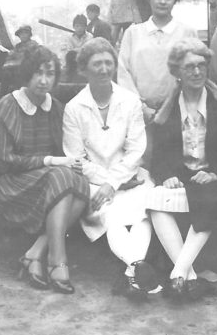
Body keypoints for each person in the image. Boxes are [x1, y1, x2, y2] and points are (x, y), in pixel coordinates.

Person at [0, 45, 90, 294]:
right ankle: (57, 261)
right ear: (27, 74)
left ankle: (36, 252)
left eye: (50, 74)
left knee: (81, 183)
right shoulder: (9, 105)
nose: (43, 81)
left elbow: (67, 149)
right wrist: (51, 161)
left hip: (43, 179)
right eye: (38, 73)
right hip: (6, 181)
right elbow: (3, 160)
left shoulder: (56, 108)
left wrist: (66, 161)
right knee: (63, 176)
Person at [63, 38, 158, 300]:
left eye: (108, 63)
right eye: (97, 64)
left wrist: (116, 181)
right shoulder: (73, 108)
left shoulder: (130, 101)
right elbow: (76, 158)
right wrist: (109, 183)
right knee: (111, 214)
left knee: (141, 214)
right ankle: (139, 269)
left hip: (131, 176)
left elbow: (136, 149)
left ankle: (133, 274)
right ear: (84, 69)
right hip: (94, 181)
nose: (104, 69)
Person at [147, 38, 217, 301]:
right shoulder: (169, 107)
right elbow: (160, 153)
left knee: (211, 198)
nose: (196, 72)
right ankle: (187, 277)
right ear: (177, 73)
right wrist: (167, 175)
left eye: (201, 66)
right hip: (182, 172)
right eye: (189, 68)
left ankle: (178, 274)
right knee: (155, 200)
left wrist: (215, 172)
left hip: (212, 173)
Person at [118, 0, 198, 125]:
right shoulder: (132, 33)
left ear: (175, 0)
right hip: (139, 115)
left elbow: (195, 73)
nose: (163, 1)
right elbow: (123, 74)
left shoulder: (187, 32)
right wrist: (141, 108)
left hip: (177, 114)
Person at [3, 25, 40, 92]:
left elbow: (28, 59)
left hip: (28, 71)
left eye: (25, 33)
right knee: (5, 75)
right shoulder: (18, 46)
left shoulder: (33, 45)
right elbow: (9, 58)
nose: (23, 35)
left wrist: (14, 61)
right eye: (21, 34)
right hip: (15, 70)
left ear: (29, 35)